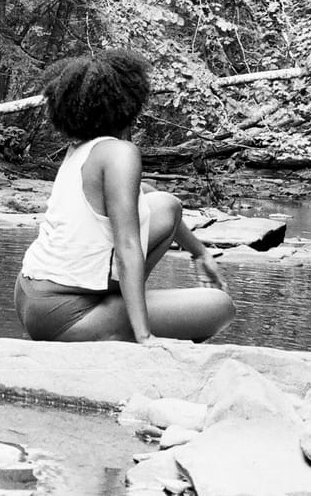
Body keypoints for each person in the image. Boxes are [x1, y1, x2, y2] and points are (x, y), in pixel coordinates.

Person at [14, 48, 235, 345]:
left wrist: (199, 252)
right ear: (129, 103)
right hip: (66, 316)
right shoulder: (120, 152)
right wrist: (145, 337)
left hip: (29, 299)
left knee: (166, 205)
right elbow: (127, 245)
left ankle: (119, 316)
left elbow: (150, 195)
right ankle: (125, 328)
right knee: (219, 306)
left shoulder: (81, 149)